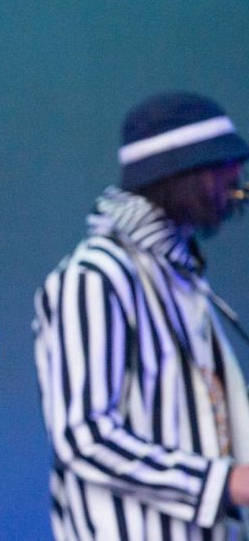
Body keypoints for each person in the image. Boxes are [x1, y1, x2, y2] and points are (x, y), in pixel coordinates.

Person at [33, 91, 249, 540]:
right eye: (221, 165)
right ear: (181, 173)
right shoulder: (96, 276)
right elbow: (85, 436)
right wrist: (223, 482)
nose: (236, 177)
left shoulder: (177, 275)